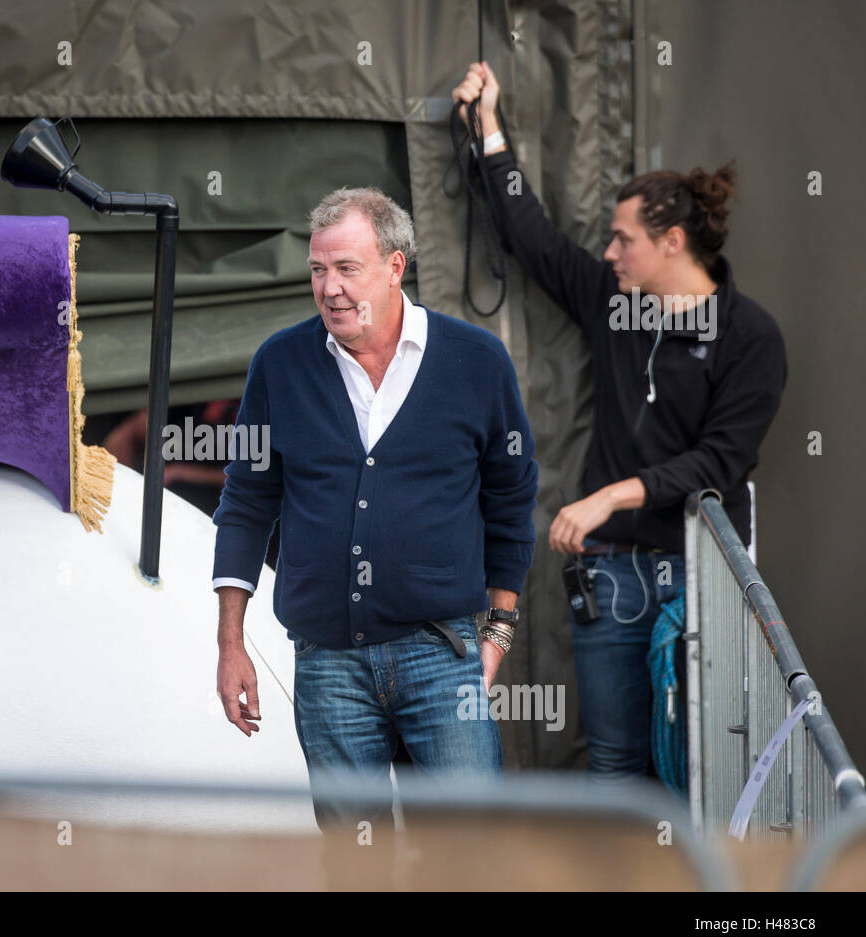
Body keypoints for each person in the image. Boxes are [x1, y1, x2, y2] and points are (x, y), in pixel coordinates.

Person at [452, 62, 787, 781]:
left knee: (705, 767)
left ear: (672, 242)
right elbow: (530, 236)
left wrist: (611, 494)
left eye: (622, 239)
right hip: (607, 578)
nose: (608, 253)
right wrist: (487, 126)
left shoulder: (749, 336)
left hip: (699, 574)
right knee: (614, 763)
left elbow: (718, 463)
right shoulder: (613, 302)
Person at [211, 187, 538, 876]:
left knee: (465, 857)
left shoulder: (476, 362)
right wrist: (231, 643)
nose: (328, 288)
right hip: (327, 663)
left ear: (395, 266)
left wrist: (500, 629)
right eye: (317, 270)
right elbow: (246, 499)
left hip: (440, 651)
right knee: (356, 867)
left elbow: (512, 498)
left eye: (346, 268)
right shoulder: (281, 363)